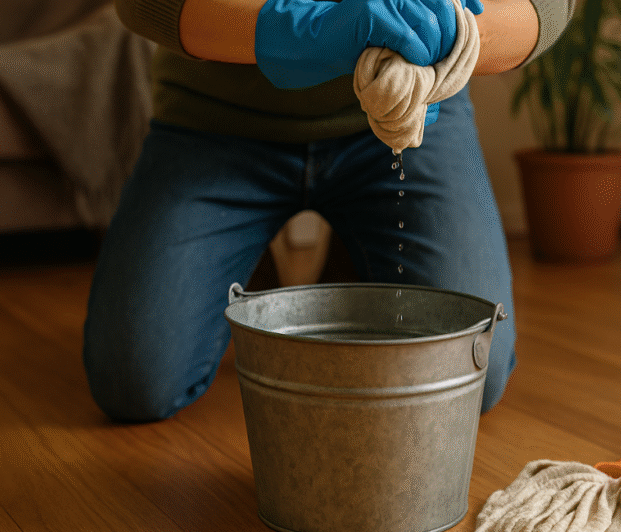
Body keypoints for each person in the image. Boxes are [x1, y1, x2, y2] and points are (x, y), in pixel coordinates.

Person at [83, 0, 575, 422]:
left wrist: (454, 33)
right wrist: (301, 29)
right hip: (215, 124)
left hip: (407, 124)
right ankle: (256, 259)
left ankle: (353, 260)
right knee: (133, 382)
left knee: (471, 373)